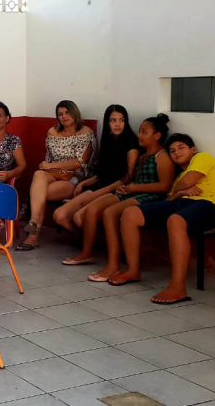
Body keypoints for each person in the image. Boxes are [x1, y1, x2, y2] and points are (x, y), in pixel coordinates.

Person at [116, 134, 215, 303]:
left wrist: (180, 190)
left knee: (175, 220)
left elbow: (189, 180)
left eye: (181, 148)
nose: (176, 152)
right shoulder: (179, 177)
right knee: (130, 213)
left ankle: (178, 287)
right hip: (184, 204)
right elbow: (170, 198)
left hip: (212, 205)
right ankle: (133, 270)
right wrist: (181, 192)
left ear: (193, 150)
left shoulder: (202, 157)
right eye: (172, 151)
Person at [73, 115, 174, 277]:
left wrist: (135, 187)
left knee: (110, 213)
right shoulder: (143, 156)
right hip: (134, 191)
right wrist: (126, 187)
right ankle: (87, 252)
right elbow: (132, 178)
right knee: (93, 208)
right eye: (140, 131)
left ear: (157, 135)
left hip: (150, 197)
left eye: (144, 132)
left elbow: (165, 186)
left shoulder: (161, 157)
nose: (139, 135)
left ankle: (113, 264)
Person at [55, 104, 140, 263]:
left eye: (121, 120)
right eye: (113, 120)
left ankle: (89, 250)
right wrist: (83, 184)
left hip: (116, 190)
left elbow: (127, 178)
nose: (117, 124)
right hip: (101, 185)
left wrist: (95, 194)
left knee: (80, 218)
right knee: (59, 216)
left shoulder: (131, 143)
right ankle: (95, 243)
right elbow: (102, 173)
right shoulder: (108, 141)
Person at [16, 100, 96, 251]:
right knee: (39, 174)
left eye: (67, 112)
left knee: (39, 193)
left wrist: (51, 166)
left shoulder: (86, 132)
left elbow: (80, 163)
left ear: (75, 112)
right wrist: (48, 167)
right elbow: (49, 158)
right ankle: (34, 223)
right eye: (60, 114)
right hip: (53, 174)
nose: (64, 116)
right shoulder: (53, 132)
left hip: (75, 177)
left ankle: (33, 235)